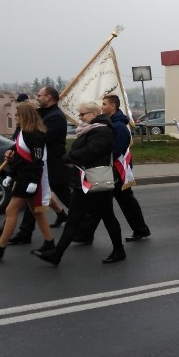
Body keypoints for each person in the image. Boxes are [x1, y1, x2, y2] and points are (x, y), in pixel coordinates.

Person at [35, 101, 125, 266]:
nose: (80, 117)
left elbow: (92, 151)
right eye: (80, 114)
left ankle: (118, 250)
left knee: (106, 217)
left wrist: (69, 157)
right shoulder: (91, 129)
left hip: (95, 182)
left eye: (83, 114)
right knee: (76, 218)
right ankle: (57, 254)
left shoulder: (102, 130)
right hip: (84, 181)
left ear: (93, 114)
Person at [0, 102, 55, 260]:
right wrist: (10, 173)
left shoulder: (35, 135)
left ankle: (0, 247)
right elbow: (19, 153)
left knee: (11, 211)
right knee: (36, 212)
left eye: (17, 116)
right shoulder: (24, 133)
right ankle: (49, 242)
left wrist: (34, 181)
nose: (15, 118)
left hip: (29, 179)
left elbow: (37, 160)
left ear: (25, 117)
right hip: (21, 176)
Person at [79, 95, 151, 243]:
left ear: (113, 106)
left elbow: (116, 149)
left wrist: (98, 157)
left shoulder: (118, 126)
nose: (102, 107)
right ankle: (86, 234)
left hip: (117, 169)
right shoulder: (112, 123)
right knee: (104, 202)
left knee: (117, 202)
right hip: (111, 169)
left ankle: (139, 230)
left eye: (104, 104)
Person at [5, 86, 70, 243]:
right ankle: (25, 232)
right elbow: (26, 136)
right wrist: (13, 148)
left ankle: (85, 222)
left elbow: (39, 138)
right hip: (38, 162)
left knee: (67, 197)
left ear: (48, 97)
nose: (37, 97)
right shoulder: (41, 113)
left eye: (39, 95)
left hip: (51, 164)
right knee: (33, 200)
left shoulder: (57, 117)